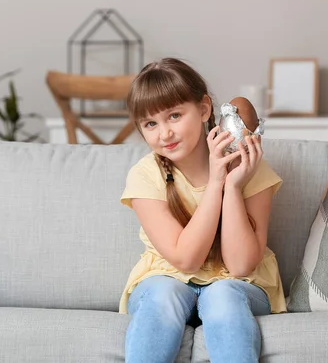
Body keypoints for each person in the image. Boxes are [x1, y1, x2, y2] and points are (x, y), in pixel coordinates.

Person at [119, 58, 285, 363]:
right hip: (167, 277)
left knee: (222, 295)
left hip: (238, 284)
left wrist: (232, 186)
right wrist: (216, 182)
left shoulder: (250, 170)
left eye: (175, 116)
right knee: (162, 295)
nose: (164, 133)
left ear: (205, 109)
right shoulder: (145, 175)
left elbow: (240, 266)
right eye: (151, 123)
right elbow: (186, 259)